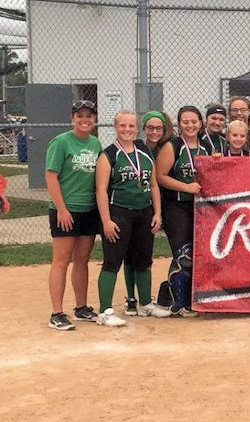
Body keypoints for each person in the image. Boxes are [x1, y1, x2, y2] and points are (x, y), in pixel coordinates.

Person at [95, 111, 169, 327]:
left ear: (137, 128)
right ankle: (105, 311)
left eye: (131, 126)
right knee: (112, 261)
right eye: (122, 126)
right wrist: (107, 221)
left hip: (144, 211)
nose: (127, 130)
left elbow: (154, 184)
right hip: (119, 212)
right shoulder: (108, 155)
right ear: (115, 127)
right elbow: (100, 191)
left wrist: (157, 212)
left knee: (143, 260)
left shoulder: (144, 151)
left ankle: (145, 304)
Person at [45, 100, 102, 330]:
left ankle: (81, 307)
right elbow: (51, 176)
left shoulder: (95, 143)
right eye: (80, 116)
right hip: (65, 210)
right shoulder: (61, 142)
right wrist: (61, 208)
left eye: (89, 116)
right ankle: (56, 313)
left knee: (82, 260)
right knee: (61, 261)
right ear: (72, 118)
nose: (85, 119)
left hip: (88, 209)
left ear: (94, 119)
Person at [156, 106, 212, 316]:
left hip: (201, 209)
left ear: (200, 123)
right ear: (179, 124)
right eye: (186, 122)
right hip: (176, 206)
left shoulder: (206, 145)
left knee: (200, 255)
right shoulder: (173, 146)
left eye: (194, 121)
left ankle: (188, 298)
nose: (190, 125)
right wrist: (186, 187)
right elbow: (160, 176)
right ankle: (177, 302)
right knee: (183, 256)